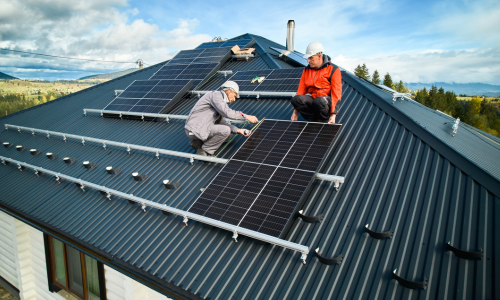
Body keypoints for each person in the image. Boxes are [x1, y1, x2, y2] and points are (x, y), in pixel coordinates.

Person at [185, 81, 258, 157]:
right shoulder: (215, 95)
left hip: (201, 129)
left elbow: (222, 123)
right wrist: (246, 116)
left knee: (229, 135)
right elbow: (227, 112)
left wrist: (239, 130)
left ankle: (198, 142)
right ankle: (205, 150)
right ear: (229, 91)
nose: (234, 99)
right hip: (194, 129)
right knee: (225, 131)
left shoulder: (219, 104)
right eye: (234, 95)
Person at [290, 42, 342, 124]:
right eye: (308, 58)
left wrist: (333, 114)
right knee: (296, 99)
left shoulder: (333, 70)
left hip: (324, 101)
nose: (308, 61)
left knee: (319, 101)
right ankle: (313, 121)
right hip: (313, 100)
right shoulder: (306, 70)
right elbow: (301, 90)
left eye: (311, 58)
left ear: (319, 56)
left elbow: (336, 93)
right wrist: (295, 111)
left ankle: (324, 121)